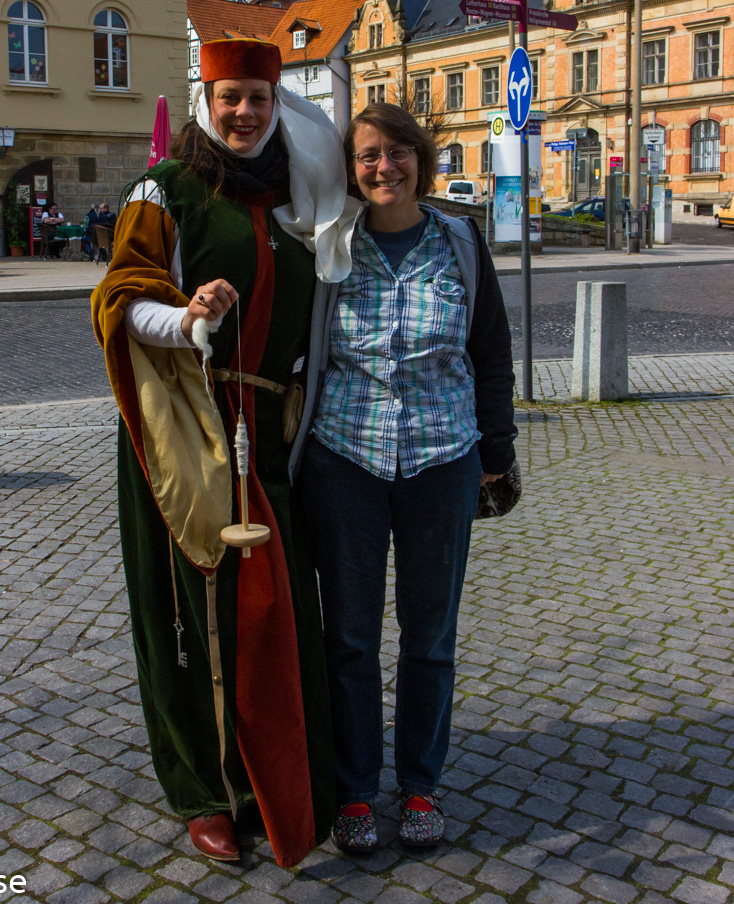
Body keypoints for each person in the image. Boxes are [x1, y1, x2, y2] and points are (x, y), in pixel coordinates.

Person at [91, 39, 357, 867]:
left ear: (278, 105)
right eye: (230, 97)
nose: (245, 113)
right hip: (188, 428)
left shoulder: (302, 191)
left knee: (279, 611)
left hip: (275, 432)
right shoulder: (165, 190)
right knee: (189, 615)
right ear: (207, 98)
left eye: (259, 99)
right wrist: (190, 316)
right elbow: (121, 297)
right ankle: (206, 790)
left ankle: (288, 774)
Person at [292, 103, 517, 852]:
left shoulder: (459, 241)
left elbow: (490, 350)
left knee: (430, 637)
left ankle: (420, 784)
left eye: (397, 153)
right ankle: (355, 791)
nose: (384, 168)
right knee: (350, 638)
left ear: (419, 157)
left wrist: (498, 449)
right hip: (345, 460)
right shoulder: (331, 244)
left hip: (441, 460)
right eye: (367, 157)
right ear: (349, 169)